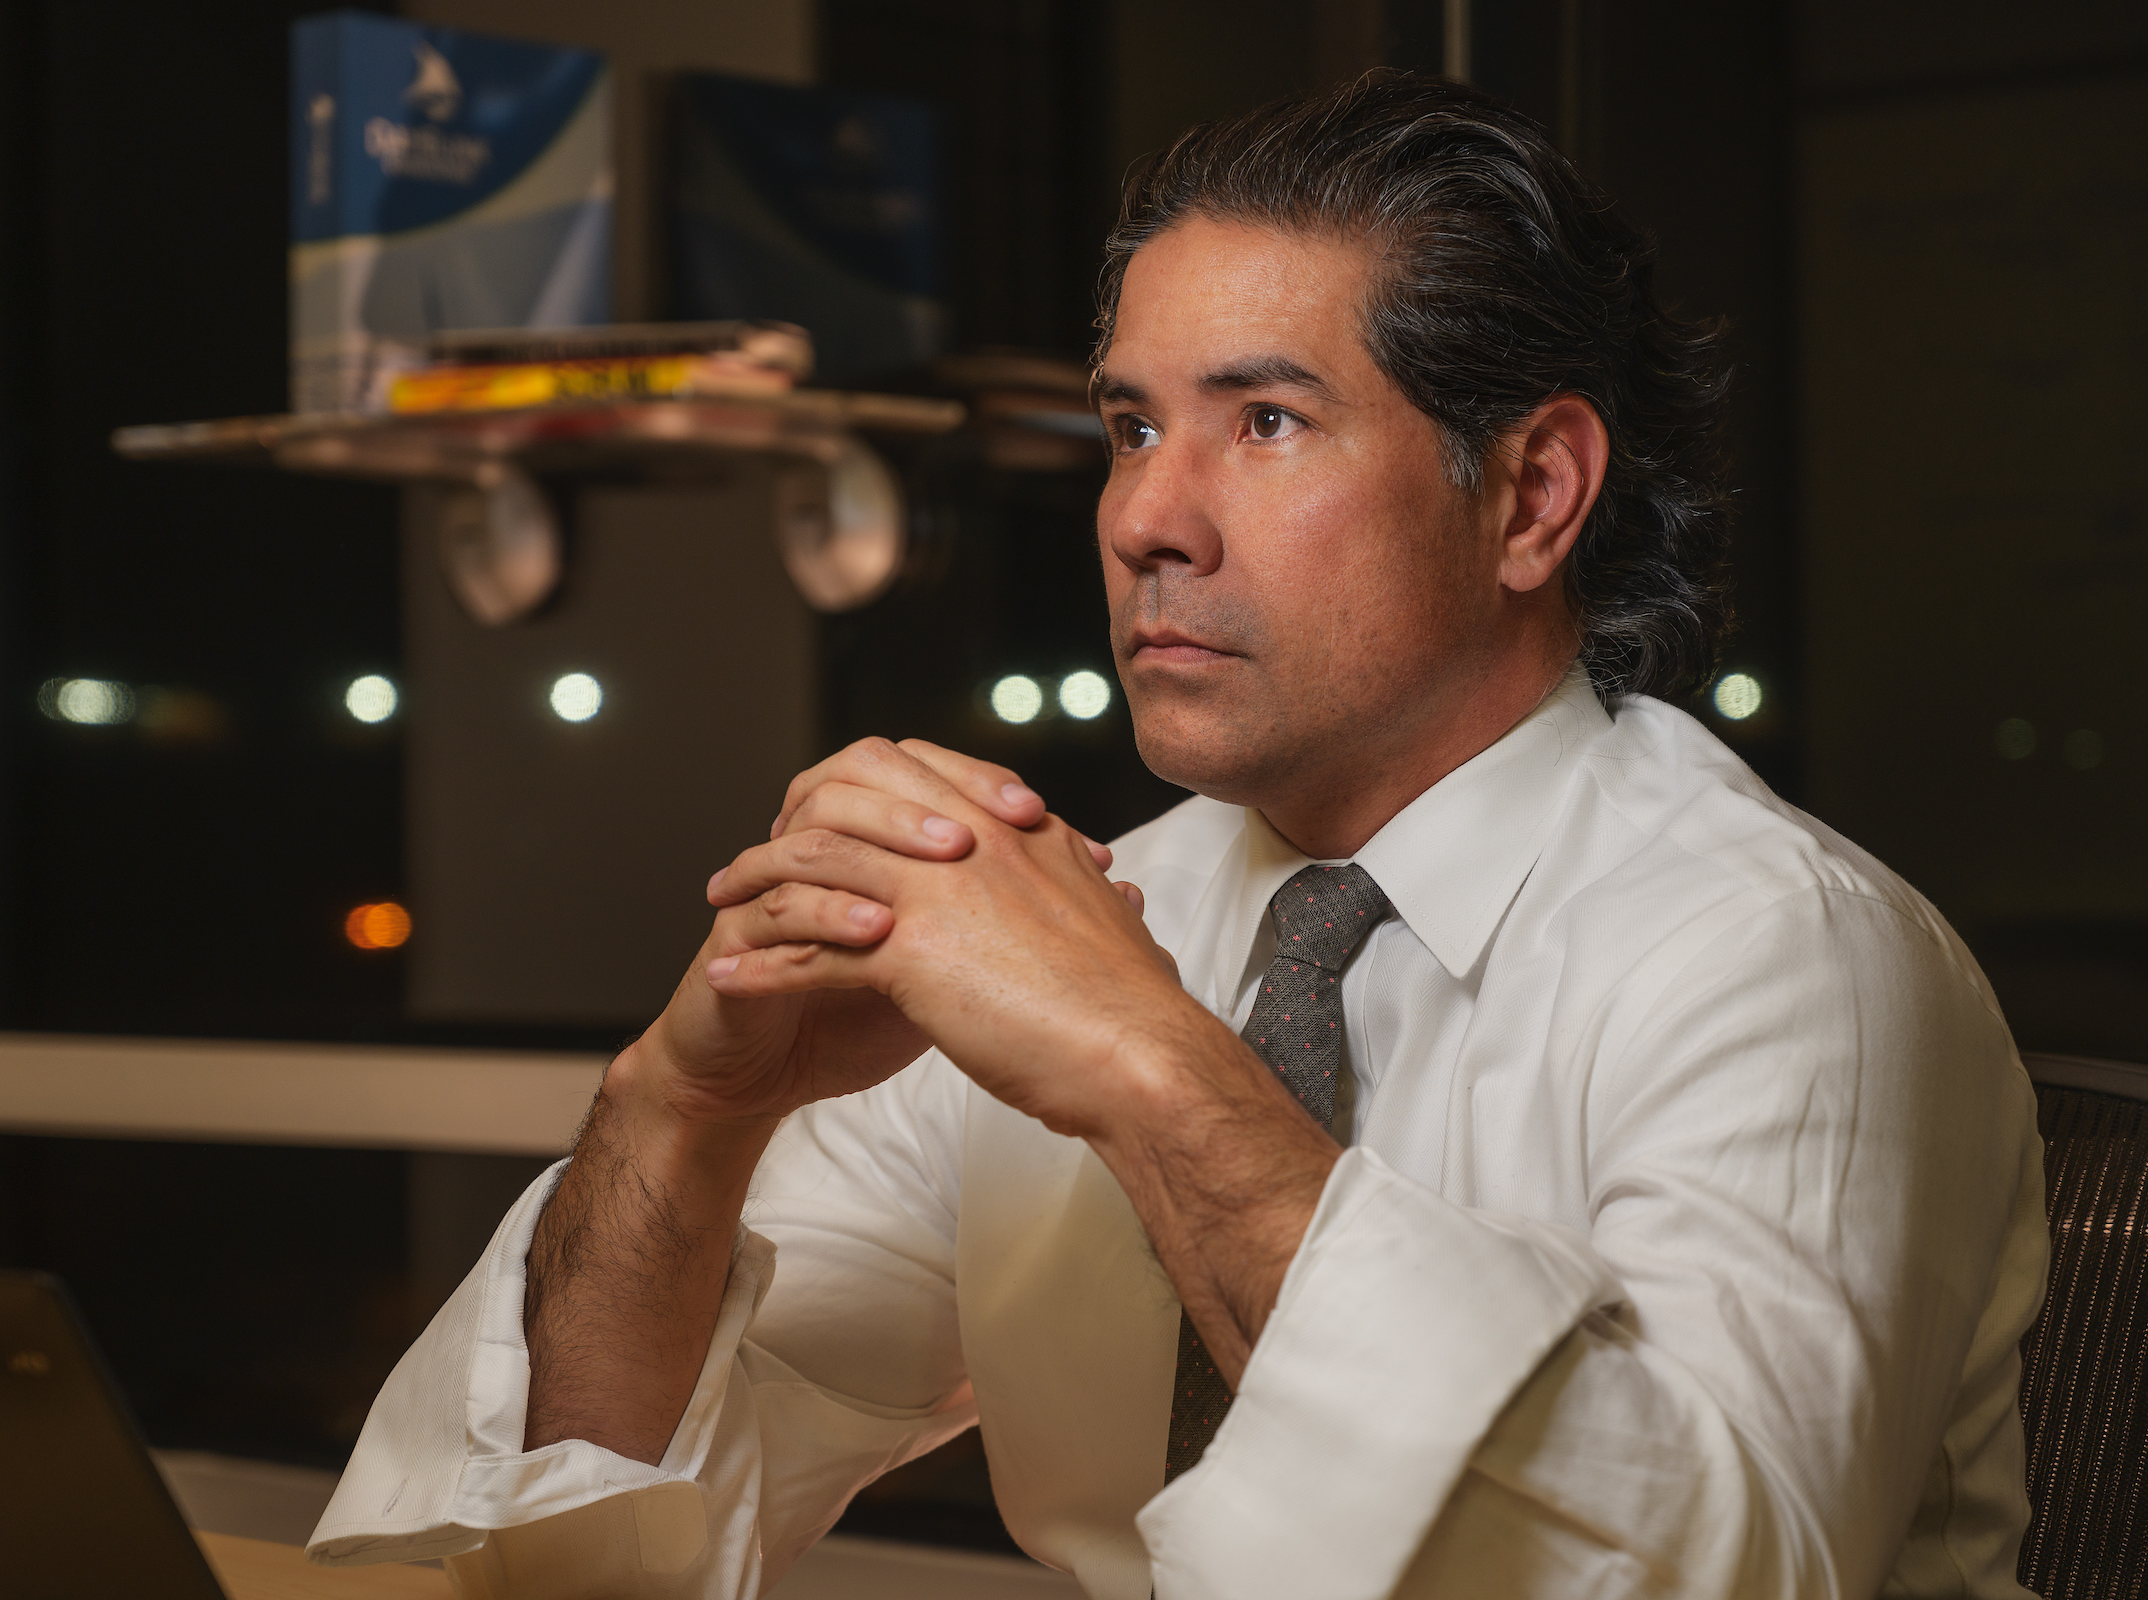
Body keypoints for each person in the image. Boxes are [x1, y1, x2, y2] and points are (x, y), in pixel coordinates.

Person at [311, 74, 2045, 1599]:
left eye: (1265, 423)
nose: (1143, 515)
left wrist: (1148, 1068)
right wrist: (683, 1111)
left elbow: (1700, 1574)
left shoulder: (1781, 951)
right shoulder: (1096, 913)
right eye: (1132, 425)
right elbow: (583, 1544)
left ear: (1530, 496)